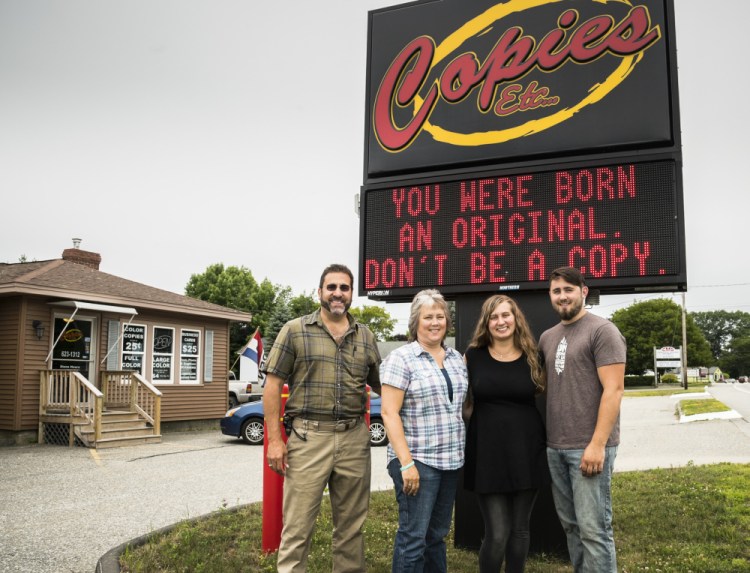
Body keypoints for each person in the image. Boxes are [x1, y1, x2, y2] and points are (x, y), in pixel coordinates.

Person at [263, 263, 382, 573]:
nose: (337, 294)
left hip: (354, 439)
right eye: (332, 287)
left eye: (344, 288)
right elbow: (272, 386)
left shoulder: (366, 337)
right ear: (320, 292)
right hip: (307, 438)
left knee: (351, 529)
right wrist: (275, 441)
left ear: (352, 294)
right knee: (298, 526)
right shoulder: (295, 330)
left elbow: (383, 385)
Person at [538, 267, 626, 573]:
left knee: (594, 530)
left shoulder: (603, 331)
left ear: (583, 292)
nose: (562, 296)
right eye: (556, 291)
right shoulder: (547, 337)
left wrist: (597, 445)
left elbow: (614, 390)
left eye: (568, 290)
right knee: (572, 528)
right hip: (556, 447)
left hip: (589, 448)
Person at [380, 289, 468, 573]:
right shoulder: (401, 359)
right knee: (414, 538)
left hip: (451, 463)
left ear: (447, 321)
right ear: (415, 322)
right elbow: (389, 412)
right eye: (428, 317)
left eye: (440, 316)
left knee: (436, 537)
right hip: (417, 461)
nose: (434, 322)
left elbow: (461, 407)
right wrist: (406, 464)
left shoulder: (457, 358)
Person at [463, 295, 548, 572]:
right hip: (487, 453)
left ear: (516, 318)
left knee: (520, 530)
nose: (501, 321)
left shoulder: (534, 356)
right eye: (494, 317)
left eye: (505, 315)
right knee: (497, 534)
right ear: (486, 323)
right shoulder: (472, 356)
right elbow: (462, 405)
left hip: (527, 450)